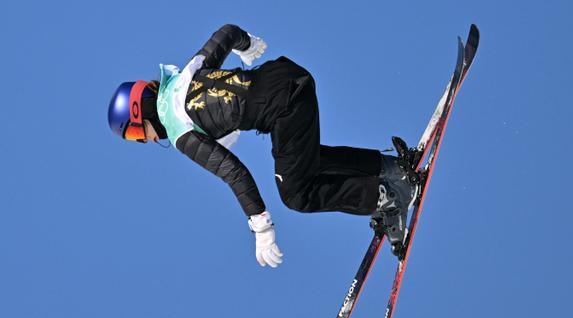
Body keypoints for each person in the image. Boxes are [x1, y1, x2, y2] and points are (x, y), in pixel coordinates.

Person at [108, 24, 416, 268]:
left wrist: (261, 227)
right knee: (303, 162)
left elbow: (233, 172)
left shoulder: (179, 131)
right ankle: (392, 170)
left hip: (284, 107)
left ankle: (389, 197)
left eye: (137, 135)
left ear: (143, 111)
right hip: (289, 75)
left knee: (297, 194)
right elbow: (225, 32)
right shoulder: (184, 75)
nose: (147, 140)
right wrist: (247, 43)